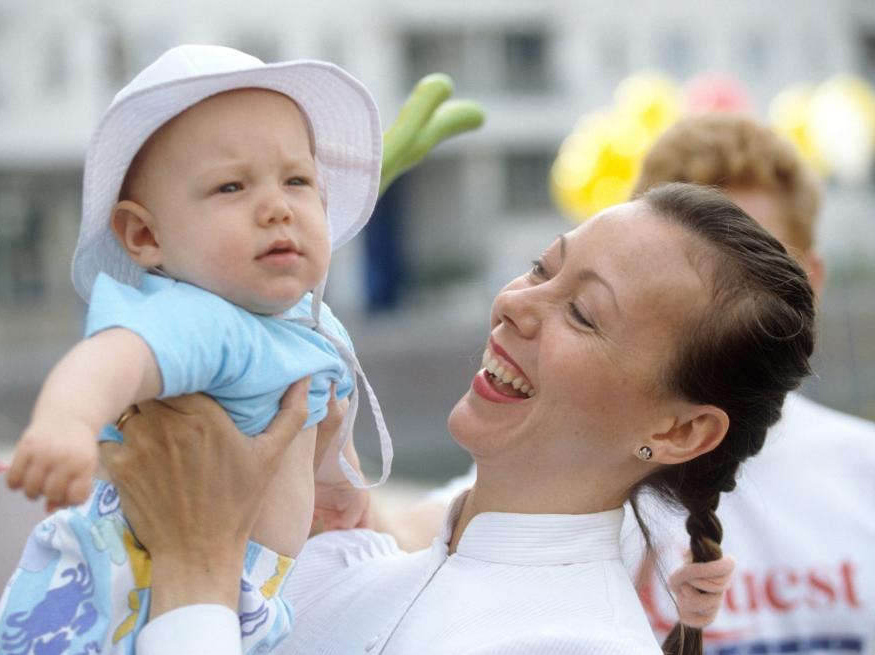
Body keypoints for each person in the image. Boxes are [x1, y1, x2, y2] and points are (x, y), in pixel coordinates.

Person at [104, 182, 816, 654]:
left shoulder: (574, 642)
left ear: (678, 432)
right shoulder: (347, 563)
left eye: (583, 313)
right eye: (541, 268)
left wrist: (195, 567)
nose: (514, 302)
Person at [400, 114, 875, 653]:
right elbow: (422, 533)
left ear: (811, 282)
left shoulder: (874, 476)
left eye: (762, 261)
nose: (516, 304)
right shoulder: (589, 477)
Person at [0, 44, 389, 655]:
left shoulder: (311, 320)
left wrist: (340, 485)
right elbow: (113, 358)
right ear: (146, 236)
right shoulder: (201, 318)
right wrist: (66, 423)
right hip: (136, 581)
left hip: (242, 578)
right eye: (231, 186)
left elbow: (324, 414)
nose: (277, 207)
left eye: (297, 180)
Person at [629, 114, 875, 653]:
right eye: (690, 271)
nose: (719, 306)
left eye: (755, 269)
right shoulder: (569, 479)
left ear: (811, 285)